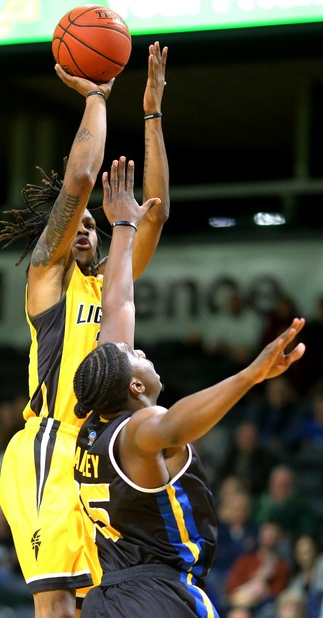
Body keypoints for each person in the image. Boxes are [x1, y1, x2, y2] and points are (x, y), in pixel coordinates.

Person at [72, 157, 306, 617]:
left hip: (110, 598)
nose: (141, 351)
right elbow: (175, 426)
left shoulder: (94, 429)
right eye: (135, 356)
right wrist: (250, 376)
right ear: (136, 385)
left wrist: (122, 226)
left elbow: (117, 302)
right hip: (156, 595)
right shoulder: (139, 430)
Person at [0, 41, 169, 618]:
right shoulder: (48, 279)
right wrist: (96, 96)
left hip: (102, 450)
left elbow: (157, 211)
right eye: (79, 224)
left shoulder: (111, 284)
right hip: (51, 441)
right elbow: (81, 177)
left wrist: (151, 113)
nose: (87, 229)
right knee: (55, 601)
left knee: (103, 599)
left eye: (95, 224)